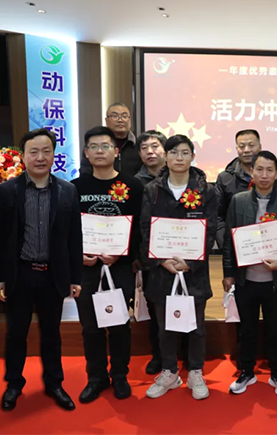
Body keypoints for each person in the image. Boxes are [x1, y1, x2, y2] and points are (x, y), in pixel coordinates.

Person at [0, 128, 82, 411]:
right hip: (20, 272)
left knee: (52, 333)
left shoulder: (67, 191)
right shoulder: (8, 191)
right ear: (23, 156)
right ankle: (14, 384)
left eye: (46, 151)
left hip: (52, 274)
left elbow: (74, 238)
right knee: (16, 332)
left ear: (54, 155)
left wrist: (75, 277)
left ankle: (55, 383)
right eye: (33, 152)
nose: (40, 157)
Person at [140, 134, 217, 400]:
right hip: (162, 270)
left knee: (196, 327)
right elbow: (145, 229)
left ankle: (195, 371)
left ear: (193, 156)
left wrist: (191, 262)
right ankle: (170, 372)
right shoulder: (152, 190)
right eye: (174, 152)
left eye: (185, 153)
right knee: (165, 326)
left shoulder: (206, 190)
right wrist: (161, 260)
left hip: (193, 271)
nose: (179, 158)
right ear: (166, 156)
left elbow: (210, 230)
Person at [71, 126, 144, 403]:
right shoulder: (74, 188)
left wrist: (122, 254)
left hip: (119, 267)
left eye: (105, 146)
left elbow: (139, 229)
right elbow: (66, 229)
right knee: (90, 327)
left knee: (119, 324)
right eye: (94, 147)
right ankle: (96, 377)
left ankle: (120, 375)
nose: (100, 151)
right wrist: (78, 254)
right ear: (86, 153)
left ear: (116, 151)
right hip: (86, 268)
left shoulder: (133, 186)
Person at [222, 151, 277, 396]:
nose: (264, 175)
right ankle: (247, 371)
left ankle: (276, 373)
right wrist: (228, 273)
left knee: (275, 329)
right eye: (259, 169)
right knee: (246, 329)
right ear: (252, 172)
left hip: (274, 281)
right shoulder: (238, 201)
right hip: (245, 279)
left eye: (269, 170)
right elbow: (229, 241)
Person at [216, 129, 277, 250]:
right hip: (239, 245)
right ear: (237, 149)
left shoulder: (276, 176)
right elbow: (218, 216)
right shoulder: (225, 178)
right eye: (242, 146)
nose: (246, 150)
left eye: (251, 145)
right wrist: (227, 244)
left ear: (260, 147)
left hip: (272, 243)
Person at [134, 129, 167, 375]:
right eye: (144, 148)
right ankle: (158, 354)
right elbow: (136, 224)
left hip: (180, 252)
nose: (150, 152)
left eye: (155, 146)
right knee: (155, 307)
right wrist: (139, 256)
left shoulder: (182, 178)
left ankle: (185, 351)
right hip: (150, 257)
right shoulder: (134, 183)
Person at [80, 103, 141, 176]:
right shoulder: (94, 145)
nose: (120, 120)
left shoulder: (139, 145)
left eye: (124, 116)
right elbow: (85, 171)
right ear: (106, 120)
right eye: (115, 116)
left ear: (130, 120)